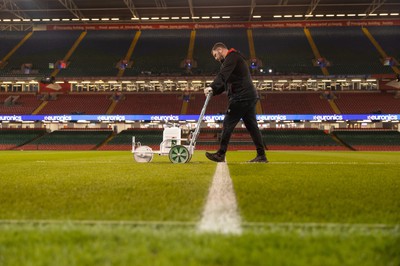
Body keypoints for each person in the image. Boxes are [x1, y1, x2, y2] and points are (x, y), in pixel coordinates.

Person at [204, 42, 267, 163]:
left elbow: (222, 76)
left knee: (228, 123)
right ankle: (261, 155)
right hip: (248, 96)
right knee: (252, 126)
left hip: (241, 97)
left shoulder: (232, 57)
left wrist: (211, 86)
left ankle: (220, 154)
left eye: (215, 55)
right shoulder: (233, 59)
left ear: (220, 50)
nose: (216, 58)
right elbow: (226, 83)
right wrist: (213, 91)